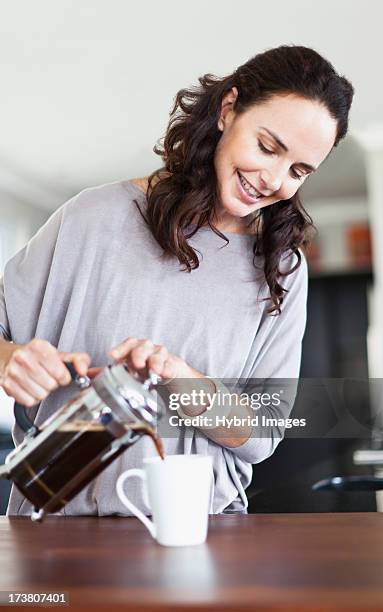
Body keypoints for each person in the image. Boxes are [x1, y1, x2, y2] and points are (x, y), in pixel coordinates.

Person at [0, 44, 354, 516]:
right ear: (229, 109)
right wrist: (12, 359)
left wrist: (181, 380)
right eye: (268, 147)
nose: (273, 179)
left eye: (298, 171)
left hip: (200, 530)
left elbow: (264, 434)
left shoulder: (282, 268)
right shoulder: (91, 218)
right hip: (54, 528)